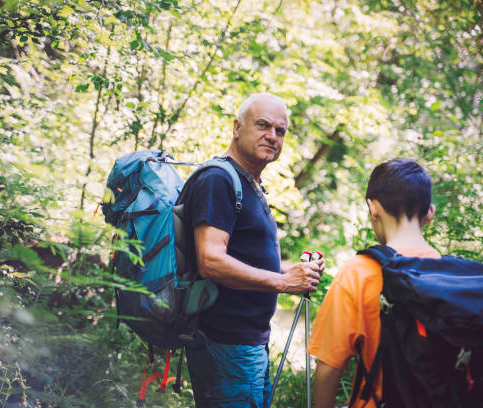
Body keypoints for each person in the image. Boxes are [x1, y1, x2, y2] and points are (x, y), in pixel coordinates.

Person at [182, 93, 325, 407]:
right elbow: (211, 261)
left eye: (280, 131)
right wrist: (283, 282)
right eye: (263, 125)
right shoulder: (218, 180)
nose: (272, 136)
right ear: (237, 127)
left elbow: (243, 259)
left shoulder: (251, 184)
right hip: (225, 344)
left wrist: (294, 272)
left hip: (247, 344)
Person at [307, 158, 440, 407]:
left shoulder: (359, 272)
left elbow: (328, 367)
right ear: (429, 213)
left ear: (373, 208)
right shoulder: (447, 272)